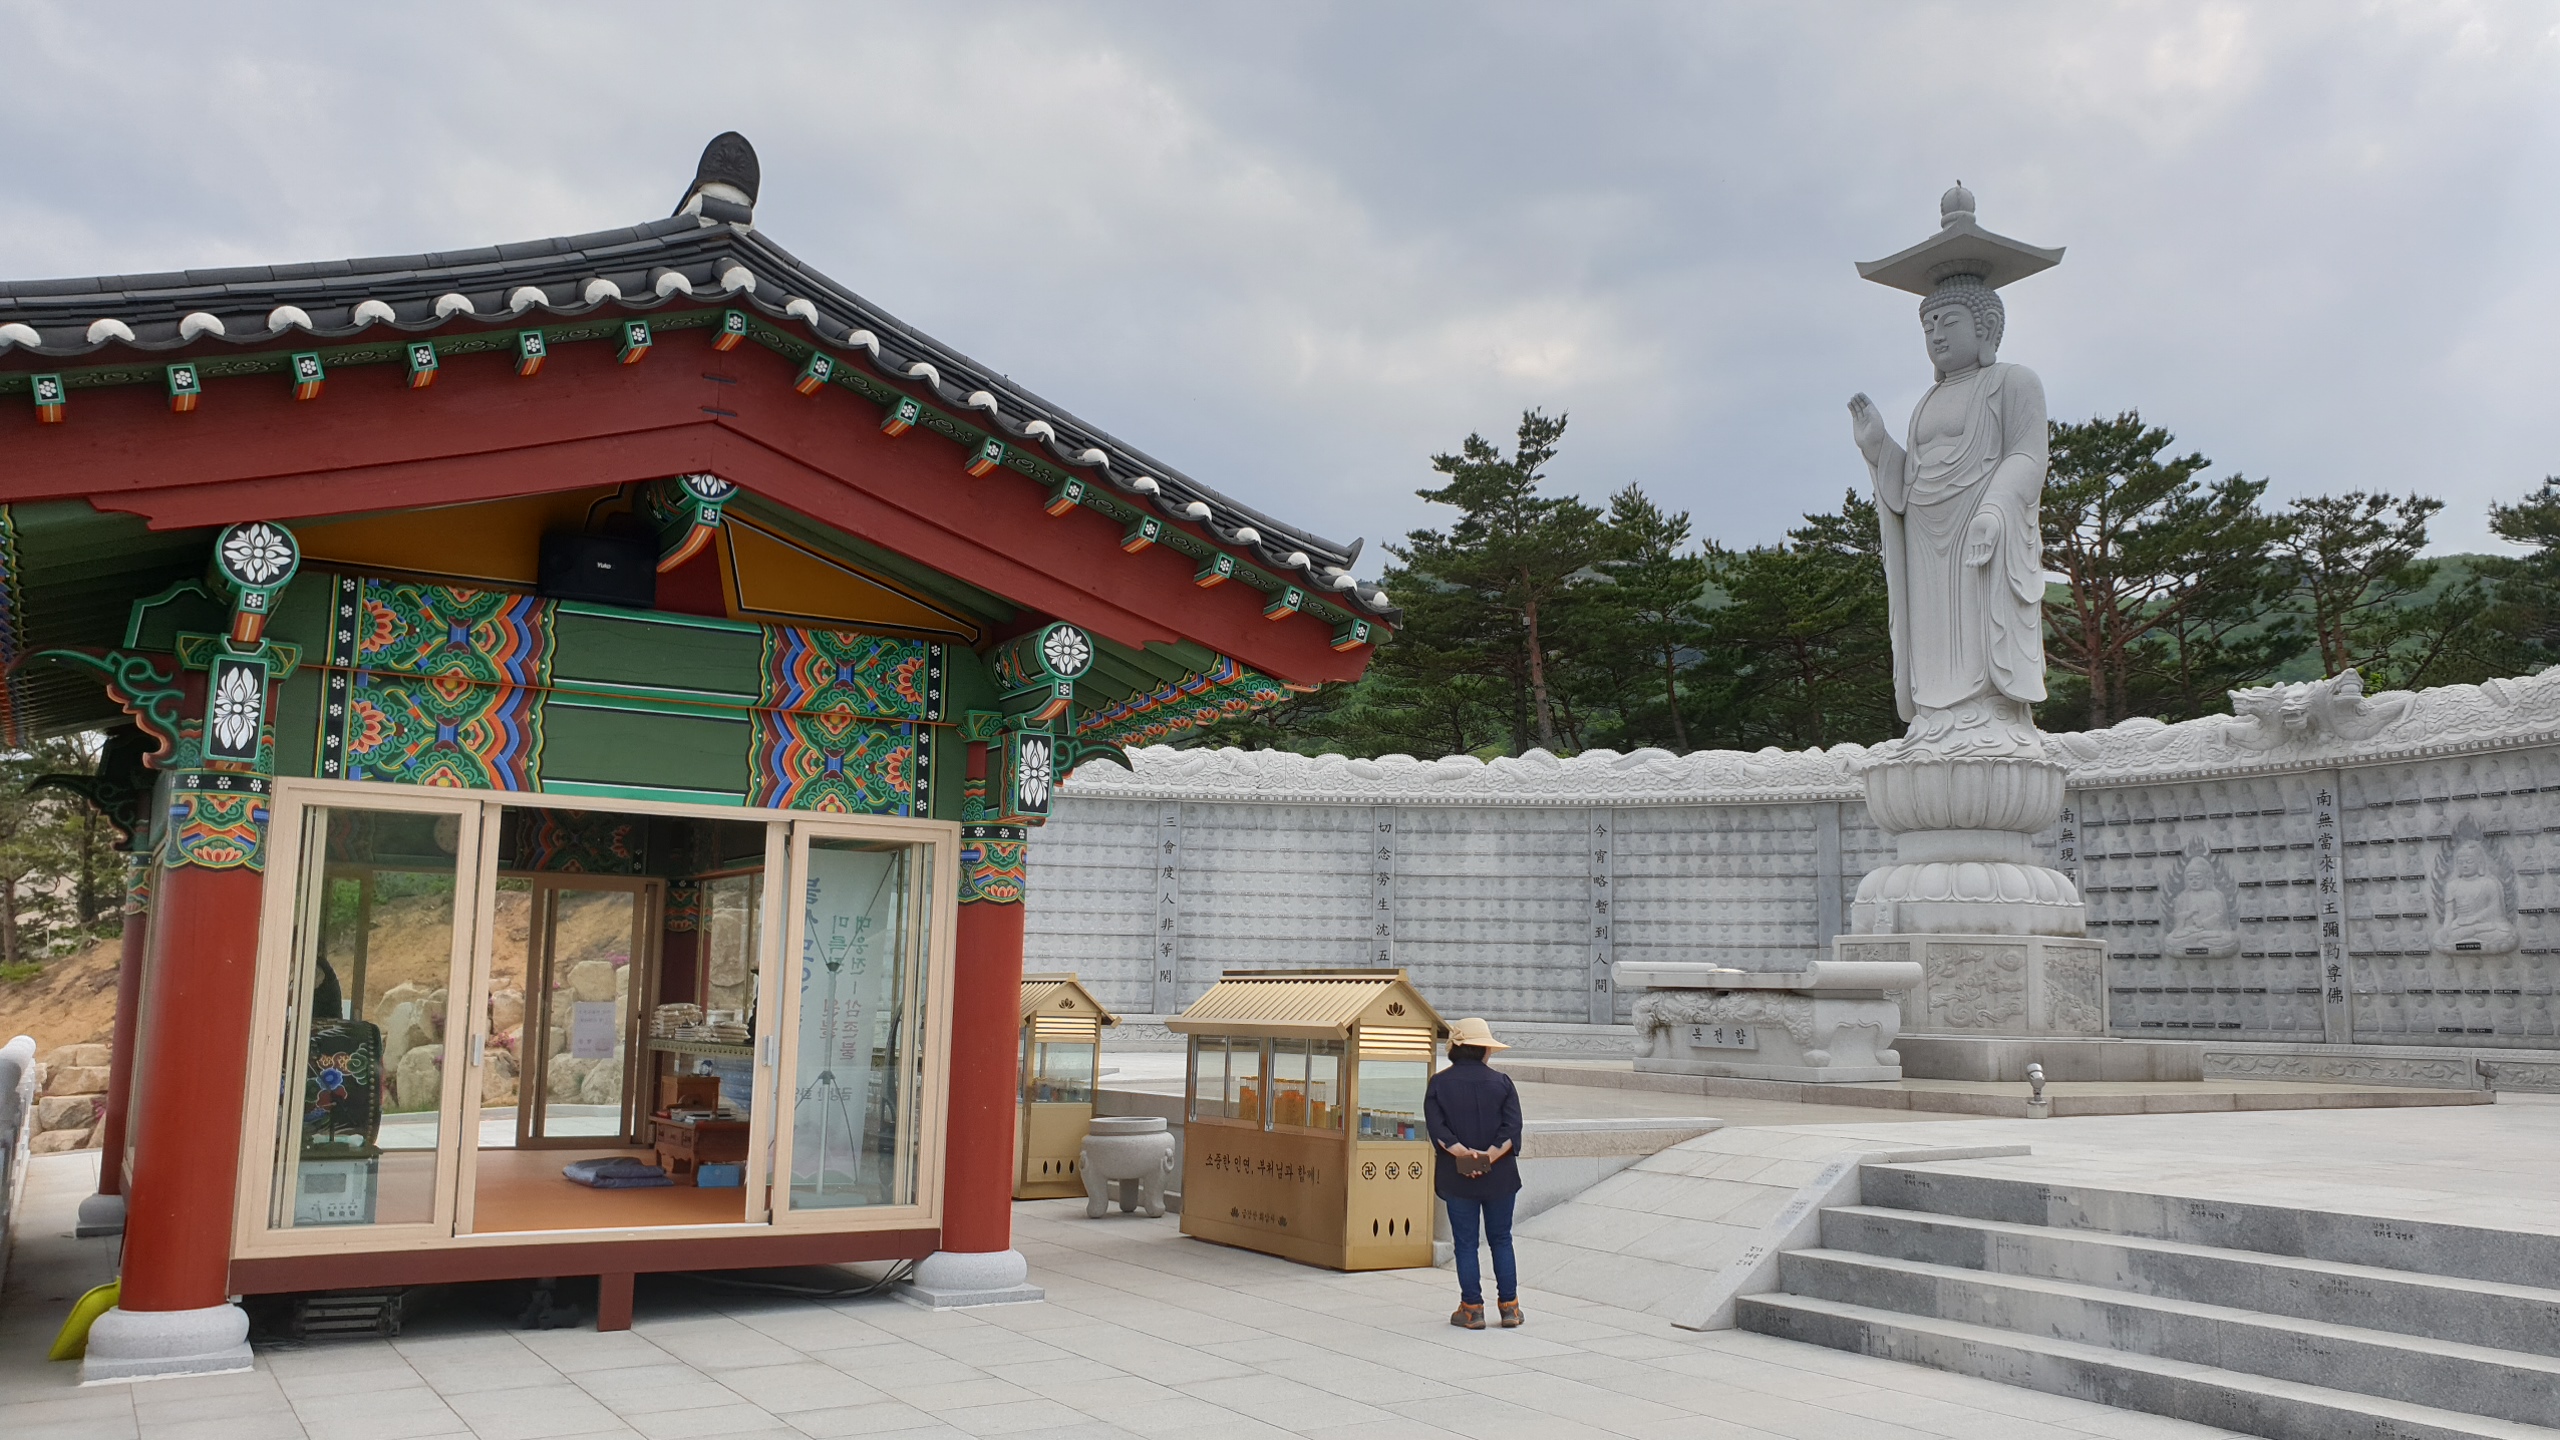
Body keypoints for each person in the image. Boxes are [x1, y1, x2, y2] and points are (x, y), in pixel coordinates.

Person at [1426, 1017, 1524, 1329]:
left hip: (1458, 1174)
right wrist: (1488, 1156)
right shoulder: (1503, 1083)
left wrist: (1464, 1154)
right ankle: (1509, 1307)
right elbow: (1512, 1128)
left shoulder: (1439, 1083)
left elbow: (1438, 1128)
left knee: (1466, 1243)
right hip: (1500, 1175)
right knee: (1501, 1239)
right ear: (1482, 1049)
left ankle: (1472, 1309)